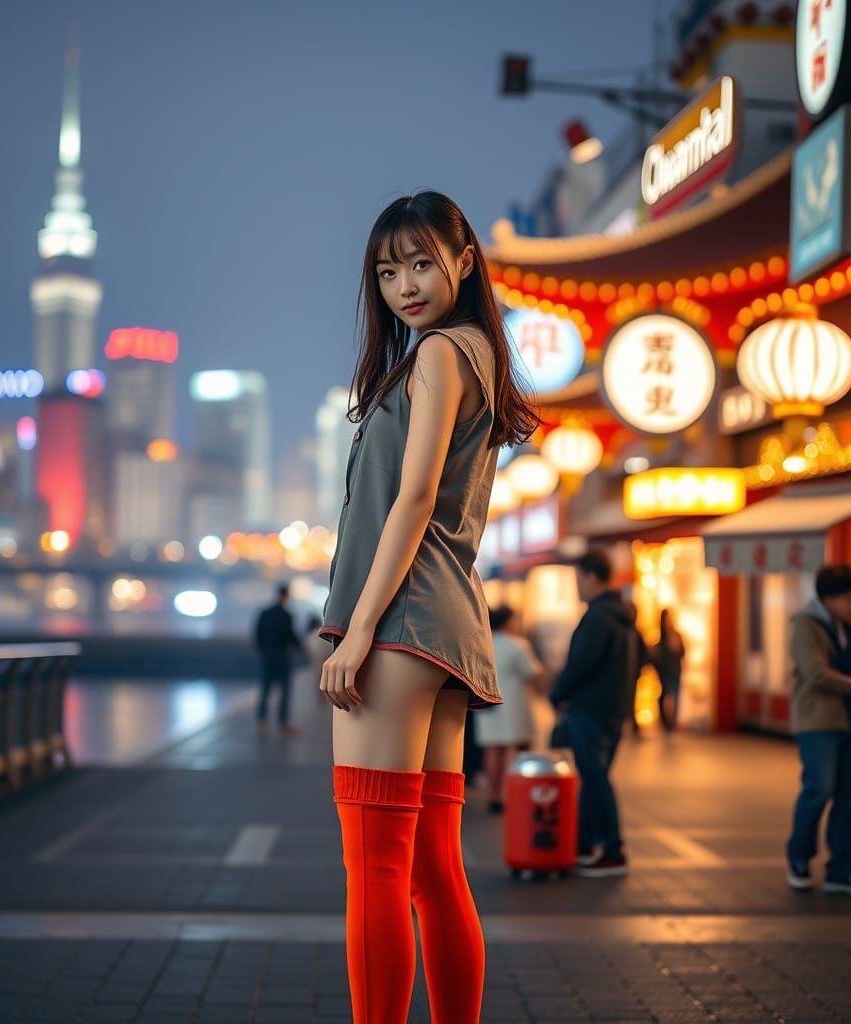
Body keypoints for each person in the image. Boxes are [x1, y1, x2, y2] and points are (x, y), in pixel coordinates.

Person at [317, 191, 537, 1024]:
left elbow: (412, 500)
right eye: (386, 271)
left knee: (376, 865)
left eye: (420, 263)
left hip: (403, 622)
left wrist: (358, 631)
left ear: (464, 261)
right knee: (432, 867)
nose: (404, 285)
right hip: (445, 626)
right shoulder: (475, 351)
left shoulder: (441, 353)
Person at [549, 548, 639, 878]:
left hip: (589, 710)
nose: (576, 586)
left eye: (578, 578)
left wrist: (558, 693)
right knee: (593, 779)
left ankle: (614, 851)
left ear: (591, 577)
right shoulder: (623, 617)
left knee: (596, 780)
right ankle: (584, 845)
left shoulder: (598, 618)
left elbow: (580, 665)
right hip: (613, 711)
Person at [785, 564, 851, 894]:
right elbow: (816, 673)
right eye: (848, 598)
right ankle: (799, 856)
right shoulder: (805, 625)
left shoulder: (842, 626)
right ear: (830, 598)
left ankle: (840, 868)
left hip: (846, 720)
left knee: (848, 795)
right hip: (817, 721)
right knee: (819, 789)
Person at [475, 605, 542, 813]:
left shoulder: (483, 642)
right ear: (508, 622)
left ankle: (493, 795)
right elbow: (534, 673)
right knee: (523, 748)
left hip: (488, 703)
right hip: (515, 704)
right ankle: (525, 793)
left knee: (493, 749)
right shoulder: (517, 644)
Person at [252, 583, 304, 736]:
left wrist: (263, 651)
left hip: (267, 657)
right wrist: (303, 648)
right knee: (285, 691)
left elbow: (257, 635)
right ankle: (283, 724)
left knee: (265, 689)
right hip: (283, 657)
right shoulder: (287, 615)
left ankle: (261, 722)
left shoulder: (265, 613)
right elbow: (291, 637)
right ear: (286, 596)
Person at [651, 608, 685, 732]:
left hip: (675, 671)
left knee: (674, 696)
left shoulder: (675, 635)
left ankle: (671, 724)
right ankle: (667, 723)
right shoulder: (662, 637)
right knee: (667, 696)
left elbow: (683, 652)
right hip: (666, 672)